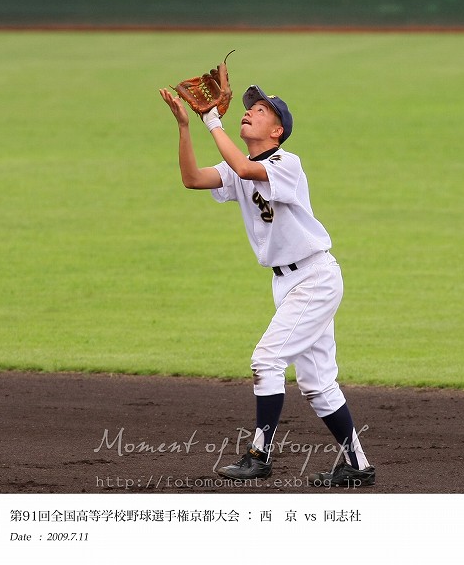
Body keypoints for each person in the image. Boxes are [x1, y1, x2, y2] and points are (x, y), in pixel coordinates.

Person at [159, 83, 375, 488]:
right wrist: (186, 126)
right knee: (316, 383)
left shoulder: (286, 163)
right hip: (289, 283)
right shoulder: (238, 167)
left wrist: (212, 121)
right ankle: (357, 465)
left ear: (277, 131)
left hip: (314, 277)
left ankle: (259, 455)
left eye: (260, 110)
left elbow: (244, 169)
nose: (249, 112)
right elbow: (192, 178)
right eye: (249, 108)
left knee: (266, 361)